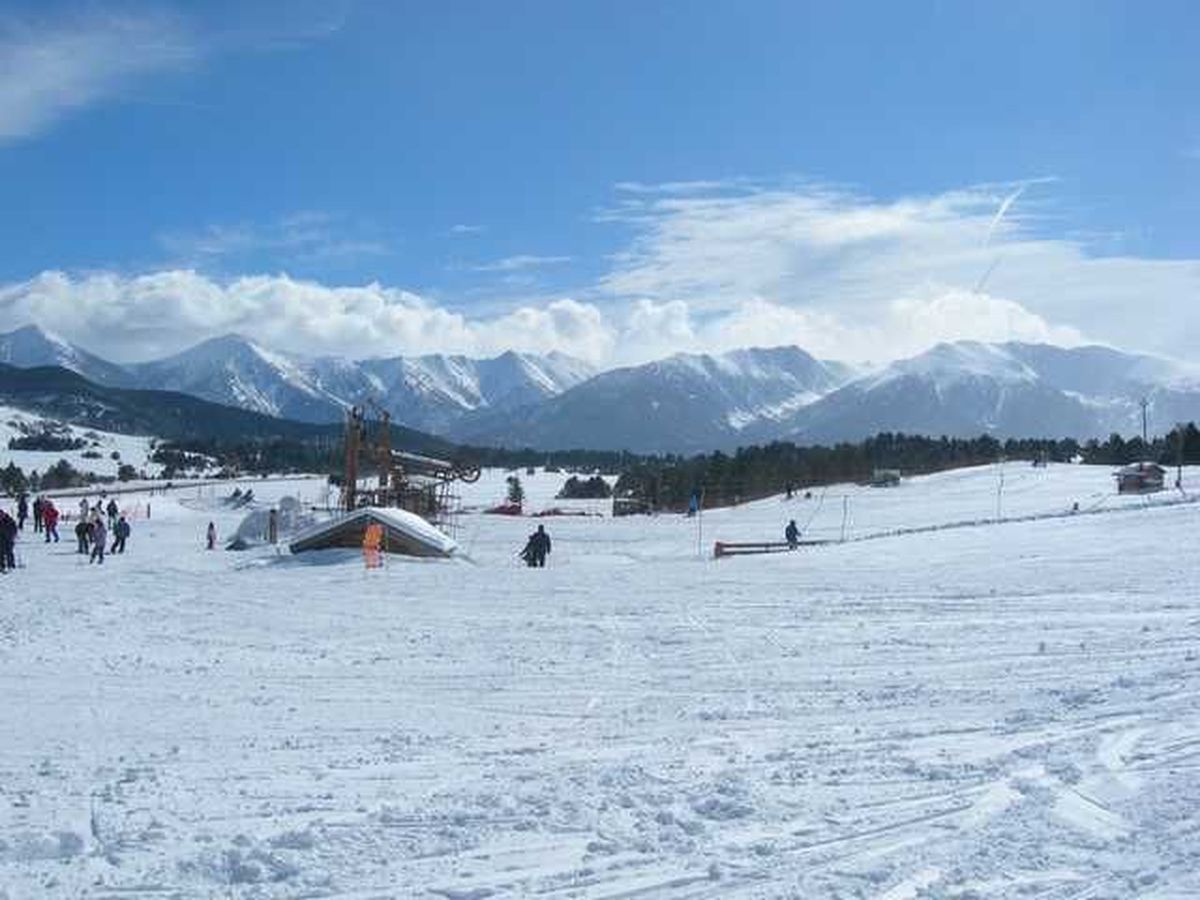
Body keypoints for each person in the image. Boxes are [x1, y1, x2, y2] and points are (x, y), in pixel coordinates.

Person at [0, 508, 16, 573]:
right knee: (1, 553)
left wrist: (12, 535)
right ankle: (2, 565)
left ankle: (11, 564)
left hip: (9, 538)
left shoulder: (9, 520)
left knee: (9, 552)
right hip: (1, 540)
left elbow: (14, 528)